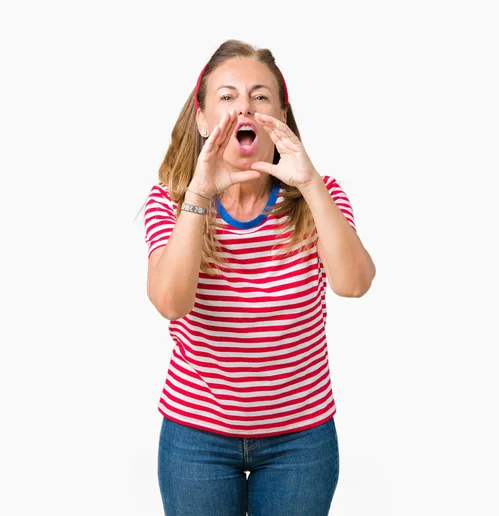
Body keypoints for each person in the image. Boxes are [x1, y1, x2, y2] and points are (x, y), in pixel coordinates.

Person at [142, 39, 376, 516]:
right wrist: (200, 194)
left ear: (282, 116)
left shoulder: (321, 195)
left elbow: (354, 283)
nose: (244, 106)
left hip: (301, 439)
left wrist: (308, 183)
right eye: (227, 97)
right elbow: (170, 301)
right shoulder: (171, 199)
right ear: (203, 117)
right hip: (196, 435)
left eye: (260, 96)